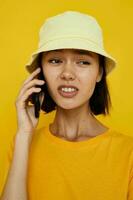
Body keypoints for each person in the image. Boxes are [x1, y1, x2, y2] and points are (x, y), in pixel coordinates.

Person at [0, 10, 133, 200]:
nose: (67, 73)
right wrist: (24, 135)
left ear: (99, 73)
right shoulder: (22, 144)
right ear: (40, 72)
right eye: (55, 60)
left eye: (83, 62)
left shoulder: (128, 154)